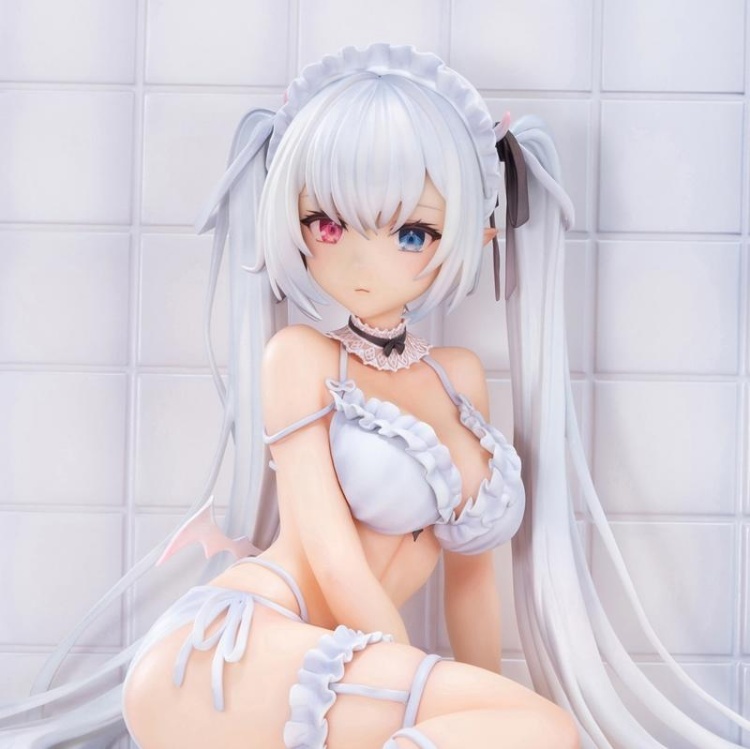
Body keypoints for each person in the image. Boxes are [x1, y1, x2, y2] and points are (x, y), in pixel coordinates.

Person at [0, 43, 746, 749]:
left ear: (472, 232)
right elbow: (333, 557)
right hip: (231, 651)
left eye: (412, 233)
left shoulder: (459, 377)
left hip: (328, 664)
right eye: (327, 224)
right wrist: (420, 676)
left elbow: (471, 582)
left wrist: (477, 696)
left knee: (534, 728)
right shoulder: (300, 357)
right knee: (545, 729)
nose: (363, 261)